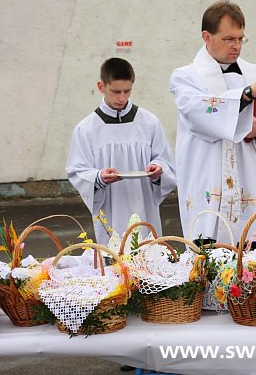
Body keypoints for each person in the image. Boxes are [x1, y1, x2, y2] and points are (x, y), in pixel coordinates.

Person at [169, 0, 256, 245]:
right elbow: (199, 114)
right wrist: (246, 94)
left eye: (240, 39)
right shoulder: (186, 77)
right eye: (229, 39)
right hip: (212, 183)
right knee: (214, 262)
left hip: (254, 184)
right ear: (207, 37)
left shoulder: (255, 73)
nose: (236, 46)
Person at [66, 58, 177, 245]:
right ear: (101, 86)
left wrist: (158, 170)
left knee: (148, 258)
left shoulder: (149, 122)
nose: (122, 98)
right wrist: (99, 176)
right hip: (111, 207)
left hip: (144, 206)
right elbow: (77, 171)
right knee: (115, 261)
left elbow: (165, 159)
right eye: (115, 91)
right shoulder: (86, 129)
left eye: (127, 91)